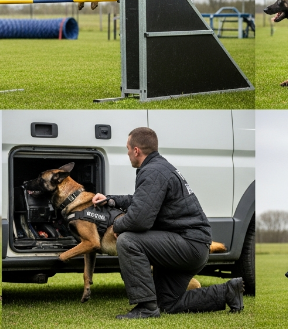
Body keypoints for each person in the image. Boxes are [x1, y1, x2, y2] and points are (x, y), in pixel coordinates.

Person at [91, 127, 244, 319]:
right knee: (168, 302)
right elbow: (141, 201)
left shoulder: (153, 172)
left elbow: (139, 220)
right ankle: (228, 291)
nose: (127, 153)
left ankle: (146, 308)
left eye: (128, 149)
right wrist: (111, 200)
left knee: (128, 240)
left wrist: (118, 227)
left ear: (136, 150)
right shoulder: (158, 168)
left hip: (188, 245)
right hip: (191, 244)